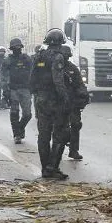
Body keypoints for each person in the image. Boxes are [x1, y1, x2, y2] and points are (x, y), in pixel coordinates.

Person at [30, 28, 70, 180]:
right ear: (61, 43)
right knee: (60, 135)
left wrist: (36, 94)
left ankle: (44, 169)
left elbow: (32, 78)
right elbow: (58, 80)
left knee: (43, 135)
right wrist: (65, 98)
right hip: (55, 100)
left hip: (41, 99)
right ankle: (53, 167)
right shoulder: (58, 57)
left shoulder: (39, 56)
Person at [1, 38, 33, 144]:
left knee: (28, 114)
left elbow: (33, 73)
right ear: (12, 49)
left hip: (25, 89)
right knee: (14, 113)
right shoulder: (8, 60)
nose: (17, 49)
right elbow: (4, 76)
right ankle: (17, 134)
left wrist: (34, 86)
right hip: (13, 89)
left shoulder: (27, 59)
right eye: (15, 48)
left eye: (18, 47)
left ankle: (20, 128)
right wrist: (5, 90)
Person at [60, 45, 89, 160]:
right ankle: (58, 151)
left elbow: (79, 84)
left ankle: (74, 150)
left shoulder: (73, 68)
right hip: (59, 103)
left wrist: (84, 95)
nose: (66, 57)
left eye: (67, 55)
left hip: (72, 102)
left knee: (76, 125)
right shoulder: (55, 68)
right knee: (62, 128)